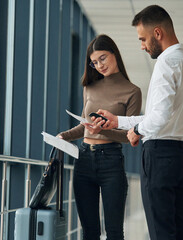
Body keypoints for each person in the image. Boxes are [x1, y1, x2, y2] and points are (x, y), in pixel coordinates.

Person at [92, 5, 183, 240]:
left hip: (160, 158)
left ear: (158, 33)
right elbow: (160, 115)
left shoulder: (165, 64)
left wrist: (137, 131)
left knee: (162, 233)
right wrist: (119, 121)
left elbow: (159, 118)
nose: (141, 45)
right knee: (181, 232)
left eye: (143, 38)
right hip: (182, 156)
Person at [58, 34, 142, 240]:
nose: (99, 65)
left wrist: (102, 130)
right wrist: (63, 136)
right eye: (94, 62)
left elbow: (129, 136)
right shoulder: (89, 87)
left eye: (102, 58)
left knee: (114, 232)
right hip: (84, 160)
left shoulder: (132, 92)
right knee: (89, 232)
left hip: (111, 161)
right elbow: (84, 126)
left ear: (115, 53)